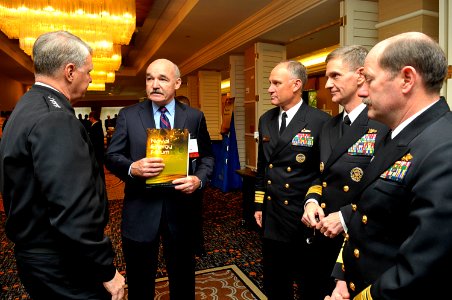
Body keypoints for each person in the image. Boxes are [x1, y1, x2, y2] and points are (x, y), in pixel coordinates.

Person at [325, 32, 452, 300]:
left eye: (369, 80)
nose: (361, 91)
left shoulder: (444, 149)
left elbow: (421, 269)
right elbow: (363, 214)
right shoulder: (392, 133)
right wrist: (343, 276)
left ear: (407, 79)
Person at [0, 31, 124, 300]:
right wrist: (106, 269)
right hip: (62, 261)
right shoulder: (55, 118)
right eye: (88, 71)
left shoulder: (26, 106)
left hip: (36, 255)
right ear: (70, 71)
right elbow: (71, 208)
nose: (90, 78)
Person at [105, 58, 214, 299]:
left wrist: (198, 180)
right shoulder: (128, 115)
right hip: (141, 210)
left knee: (183, 278)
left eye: (162, 79)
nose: (154, 84)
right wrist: (133, 167)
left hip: (182, 211)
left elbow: (207, 157)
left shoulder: (194, 117)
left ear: (177, 83)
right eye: (149, 78)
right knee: (140, 281)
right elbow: (111, 156)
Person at [300, 45, 389, 300]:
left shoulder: (382, 124)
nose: (327, 84)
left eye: (335, 76)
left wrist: (346, 216)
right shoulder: (329, 126)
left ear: (360, 75)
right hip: (322, 233)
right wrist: (312, 200)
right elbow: (320, 175)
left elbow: (385, 187)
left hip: (357, 237)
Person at [253, 60, 331, 299]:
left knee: (309, 282)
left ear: (296, 85)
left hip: (301, 214)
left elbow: (323, 171)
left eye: (276, 83)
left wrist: (313, 202)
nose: (269, 89)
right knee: (275, 280)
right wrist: (258, 204)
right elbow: (262, 166)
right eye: (270, 83)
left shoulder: (320, 121)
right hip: (272, 212)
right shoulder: (266, 119)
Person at [175, 94, 206, 257]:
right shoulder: (168, 131)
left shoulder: (196, 122)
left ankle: (197, 246)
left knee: (195, 214)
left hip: (192, 179)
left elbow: (205, 154)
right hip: (173, 179)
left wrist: (198, 178)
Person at [89, 111, 106, 182]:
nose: (89, 119)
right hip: (99, 151)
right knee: (99, 168)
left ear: (92, 118)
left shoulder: (95, 126)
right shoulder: (98, 125)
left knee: (98, 169)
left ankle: (100, 184)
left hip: (97, 152)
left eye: (89, 118)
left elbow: (95, 141)